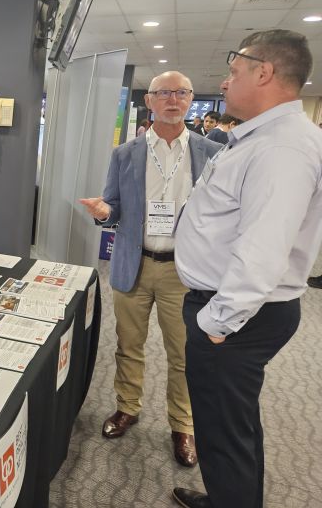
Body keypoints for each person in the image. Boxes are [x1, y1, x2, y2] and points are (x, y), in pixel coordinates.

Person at [172, 29, 322, 508]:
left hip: (238, 315)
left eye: (234, 71)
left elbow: (263, 249)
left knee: (224, 432)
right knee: (230, 423)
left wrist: (217, 323)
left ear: (264, 73)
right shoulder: (262, 137)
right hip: (238, 309)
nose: (225, 81)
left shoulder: (281, 148)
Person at [79, 71, 222, 468]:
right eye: (163, 93)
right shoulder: (125, 154)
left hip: (184, 271)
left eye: (181, 92)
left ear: (191, 99)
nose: (173, 100)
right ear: (150, 101)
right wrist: (104, 212)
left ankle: (183, 425)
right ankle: (127, 407)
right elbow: (113, 207)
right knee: (129, 344)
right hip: (134, 264)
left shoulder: (212, 152)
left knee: (183, 353)